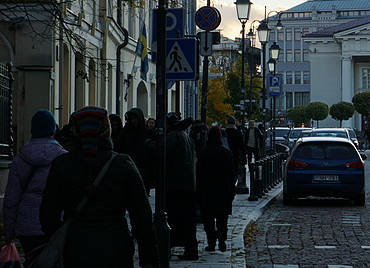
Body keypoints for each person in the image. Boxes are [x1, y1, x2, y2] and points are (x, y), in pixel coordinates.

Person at [40, 106, 157, 268]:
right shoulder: (122, 164)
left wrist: (63, 237)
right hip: (115, 245)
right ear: (106, 129)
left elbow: (48, 214)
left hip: (77, 247)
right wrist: (149, 258)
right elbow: (141, 215)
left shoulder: (62, 164)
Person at [3, 110, 67, 266]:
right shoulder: (64, 157)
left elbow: (11, 199)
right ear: (53, 130)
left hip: (27, 226)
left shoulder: (20, 158)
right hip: (56, 224)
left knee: (33, 263)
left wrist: (9, 232)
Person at [196, 126, 236, 253]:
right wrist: (232, 190)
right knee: (222, 217)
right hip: (223, 189)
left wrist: (198, 190)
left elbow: (199, 173)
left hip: (207, 189)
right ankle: (221, 234)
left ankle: (211, 242)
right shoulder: (227, 152)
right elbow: (232, 173)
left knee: (208, 219)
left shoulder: (203, 152)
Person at [165, 111, 199, 260]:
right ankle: (190, 249)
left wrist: (150, 144)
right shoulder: (186, 136)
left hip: (176, 185)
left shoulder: (173, 136)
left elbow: (161, 151)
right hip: (188, 184)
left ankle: (173, 246)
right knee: (187, 219)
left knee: (174, 217)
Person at [118, 107, 156, 194]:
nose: (134, 121)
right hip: (129, 168)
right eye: (132, 119)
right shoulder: (126, 132)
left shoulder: (149, 133)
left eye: (135, 119)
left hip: (144, 169)